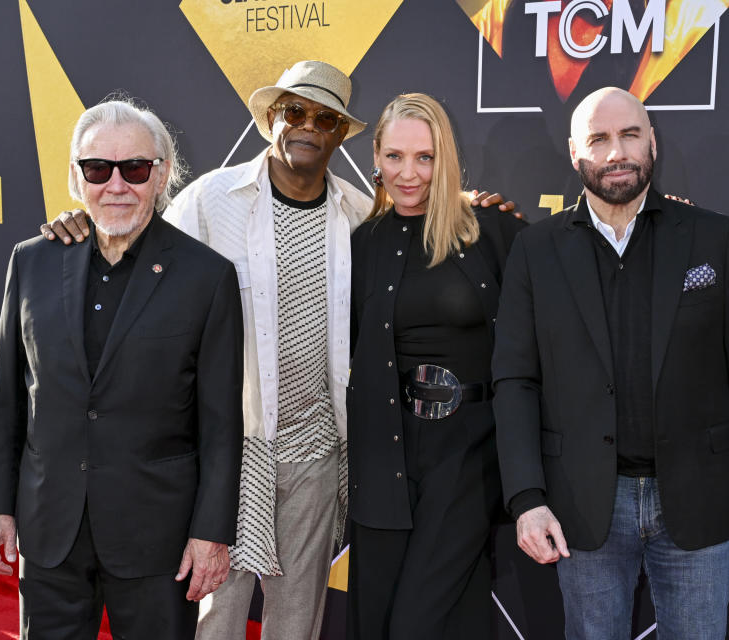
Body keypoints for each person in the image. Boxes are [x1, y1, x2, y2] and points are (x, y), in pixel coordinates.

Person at [41, 62, 515, 640]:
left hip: (317, 453)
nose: (307, 126)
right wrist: (82, 225)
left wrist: (471, 203)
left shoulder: (358, 216)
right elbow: (135, 246)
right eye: (294, 111)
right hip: (230, 455)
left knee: (297, 620)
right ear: (271, 118)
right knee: (217, 617)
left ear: (342, 133)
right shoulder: (212, 200)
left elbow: (426, 221)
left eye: (324, 117)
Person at [492, 86, 729, 639]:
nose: (616, 151)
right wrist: (527, 498)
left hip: (696, 498)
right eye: (599, 139)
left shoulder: (715, 239)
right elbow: (516, 380)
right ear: (576, 154)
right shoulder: (536, 249)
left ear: (653, 144)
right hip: (584, 507)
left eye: (630, 135)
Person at [0, 99, 244, 639]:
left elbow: (220, 425)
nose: (115, 185)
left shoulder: (207, 277)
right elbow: (7, 398)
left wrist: (211, 533)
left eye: (135, 169)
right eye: (98, 168)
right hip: (51, 529)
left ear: (162, 174)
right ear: (77, 176)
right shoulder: (31, 261)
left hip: (156, 538)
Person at [347, 93, 525, 640]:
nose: (409, 173)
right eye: (395, 156)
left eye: (424, 157)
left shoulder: (489, 229)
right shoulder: (359, 243)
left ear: (444, 157)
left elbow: (567, 268)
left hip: (467, 455)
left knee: (415, 624)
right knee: (383, 620)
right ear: (375, 154)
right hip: (383, 457)